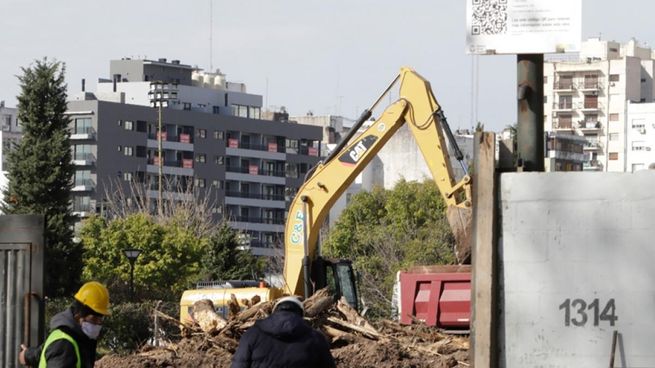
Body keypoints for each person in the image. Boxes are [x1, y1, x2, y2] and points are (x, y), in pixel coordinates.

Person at [19, 281, 111, 368]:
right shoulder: (64, 344)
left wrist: (27, 355)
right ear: (79, 316)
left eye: (100, 319)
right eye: (94, 319)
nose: (98, 324)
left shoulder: (73, 337)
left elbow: (42, 353)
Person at [231, 296, 336, 368]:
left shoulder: (252, 335)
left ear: (276, 311)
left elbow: (239, 365)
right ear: (301, 314)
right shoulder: (316, 339)